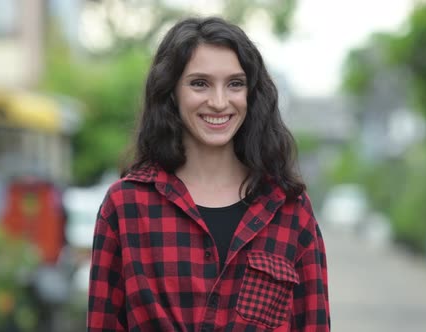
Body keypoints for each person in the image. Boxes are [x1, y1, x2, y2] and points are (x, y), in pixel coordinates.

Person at [86, 16, 330, 332]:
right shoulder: (126, 205)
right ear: (171, 92)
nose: (218, 102)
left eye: (235, 84)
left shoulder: (289, 211)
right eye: (199, 83)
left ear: (251, 94)